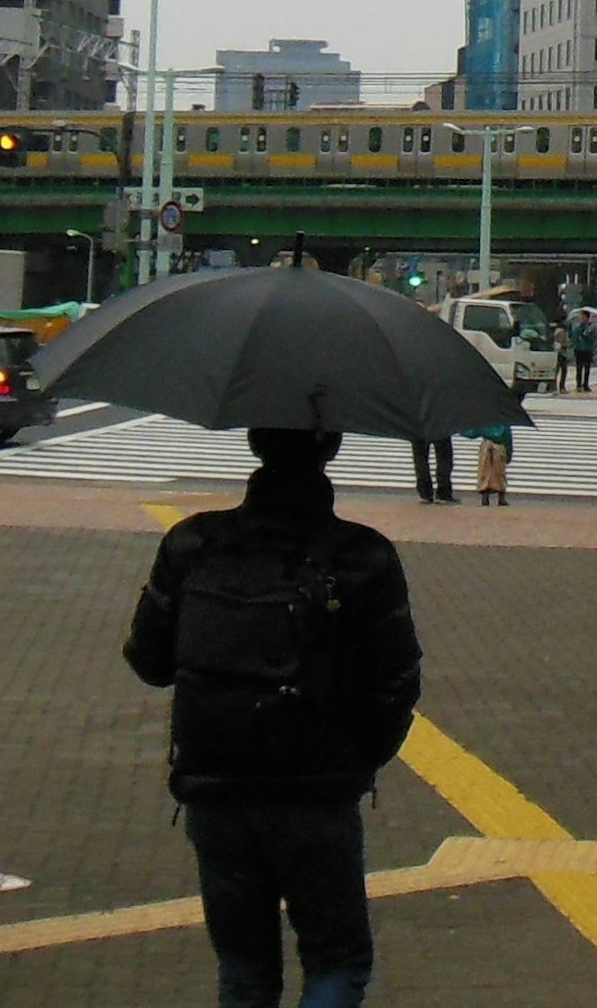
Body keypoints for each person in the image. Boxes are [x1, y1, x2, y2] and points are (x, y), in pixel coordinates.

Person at [123, 428, 423, 1008]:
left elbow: (149, 660)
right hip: (319, 791)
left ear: (255, 444)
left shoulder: (193, 544)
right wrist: (362, 754)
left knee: (244, 968)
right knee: (337, 960)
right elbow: (397, 679)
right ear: (330, 449)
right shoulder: (364, 556)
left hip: (215, 785)